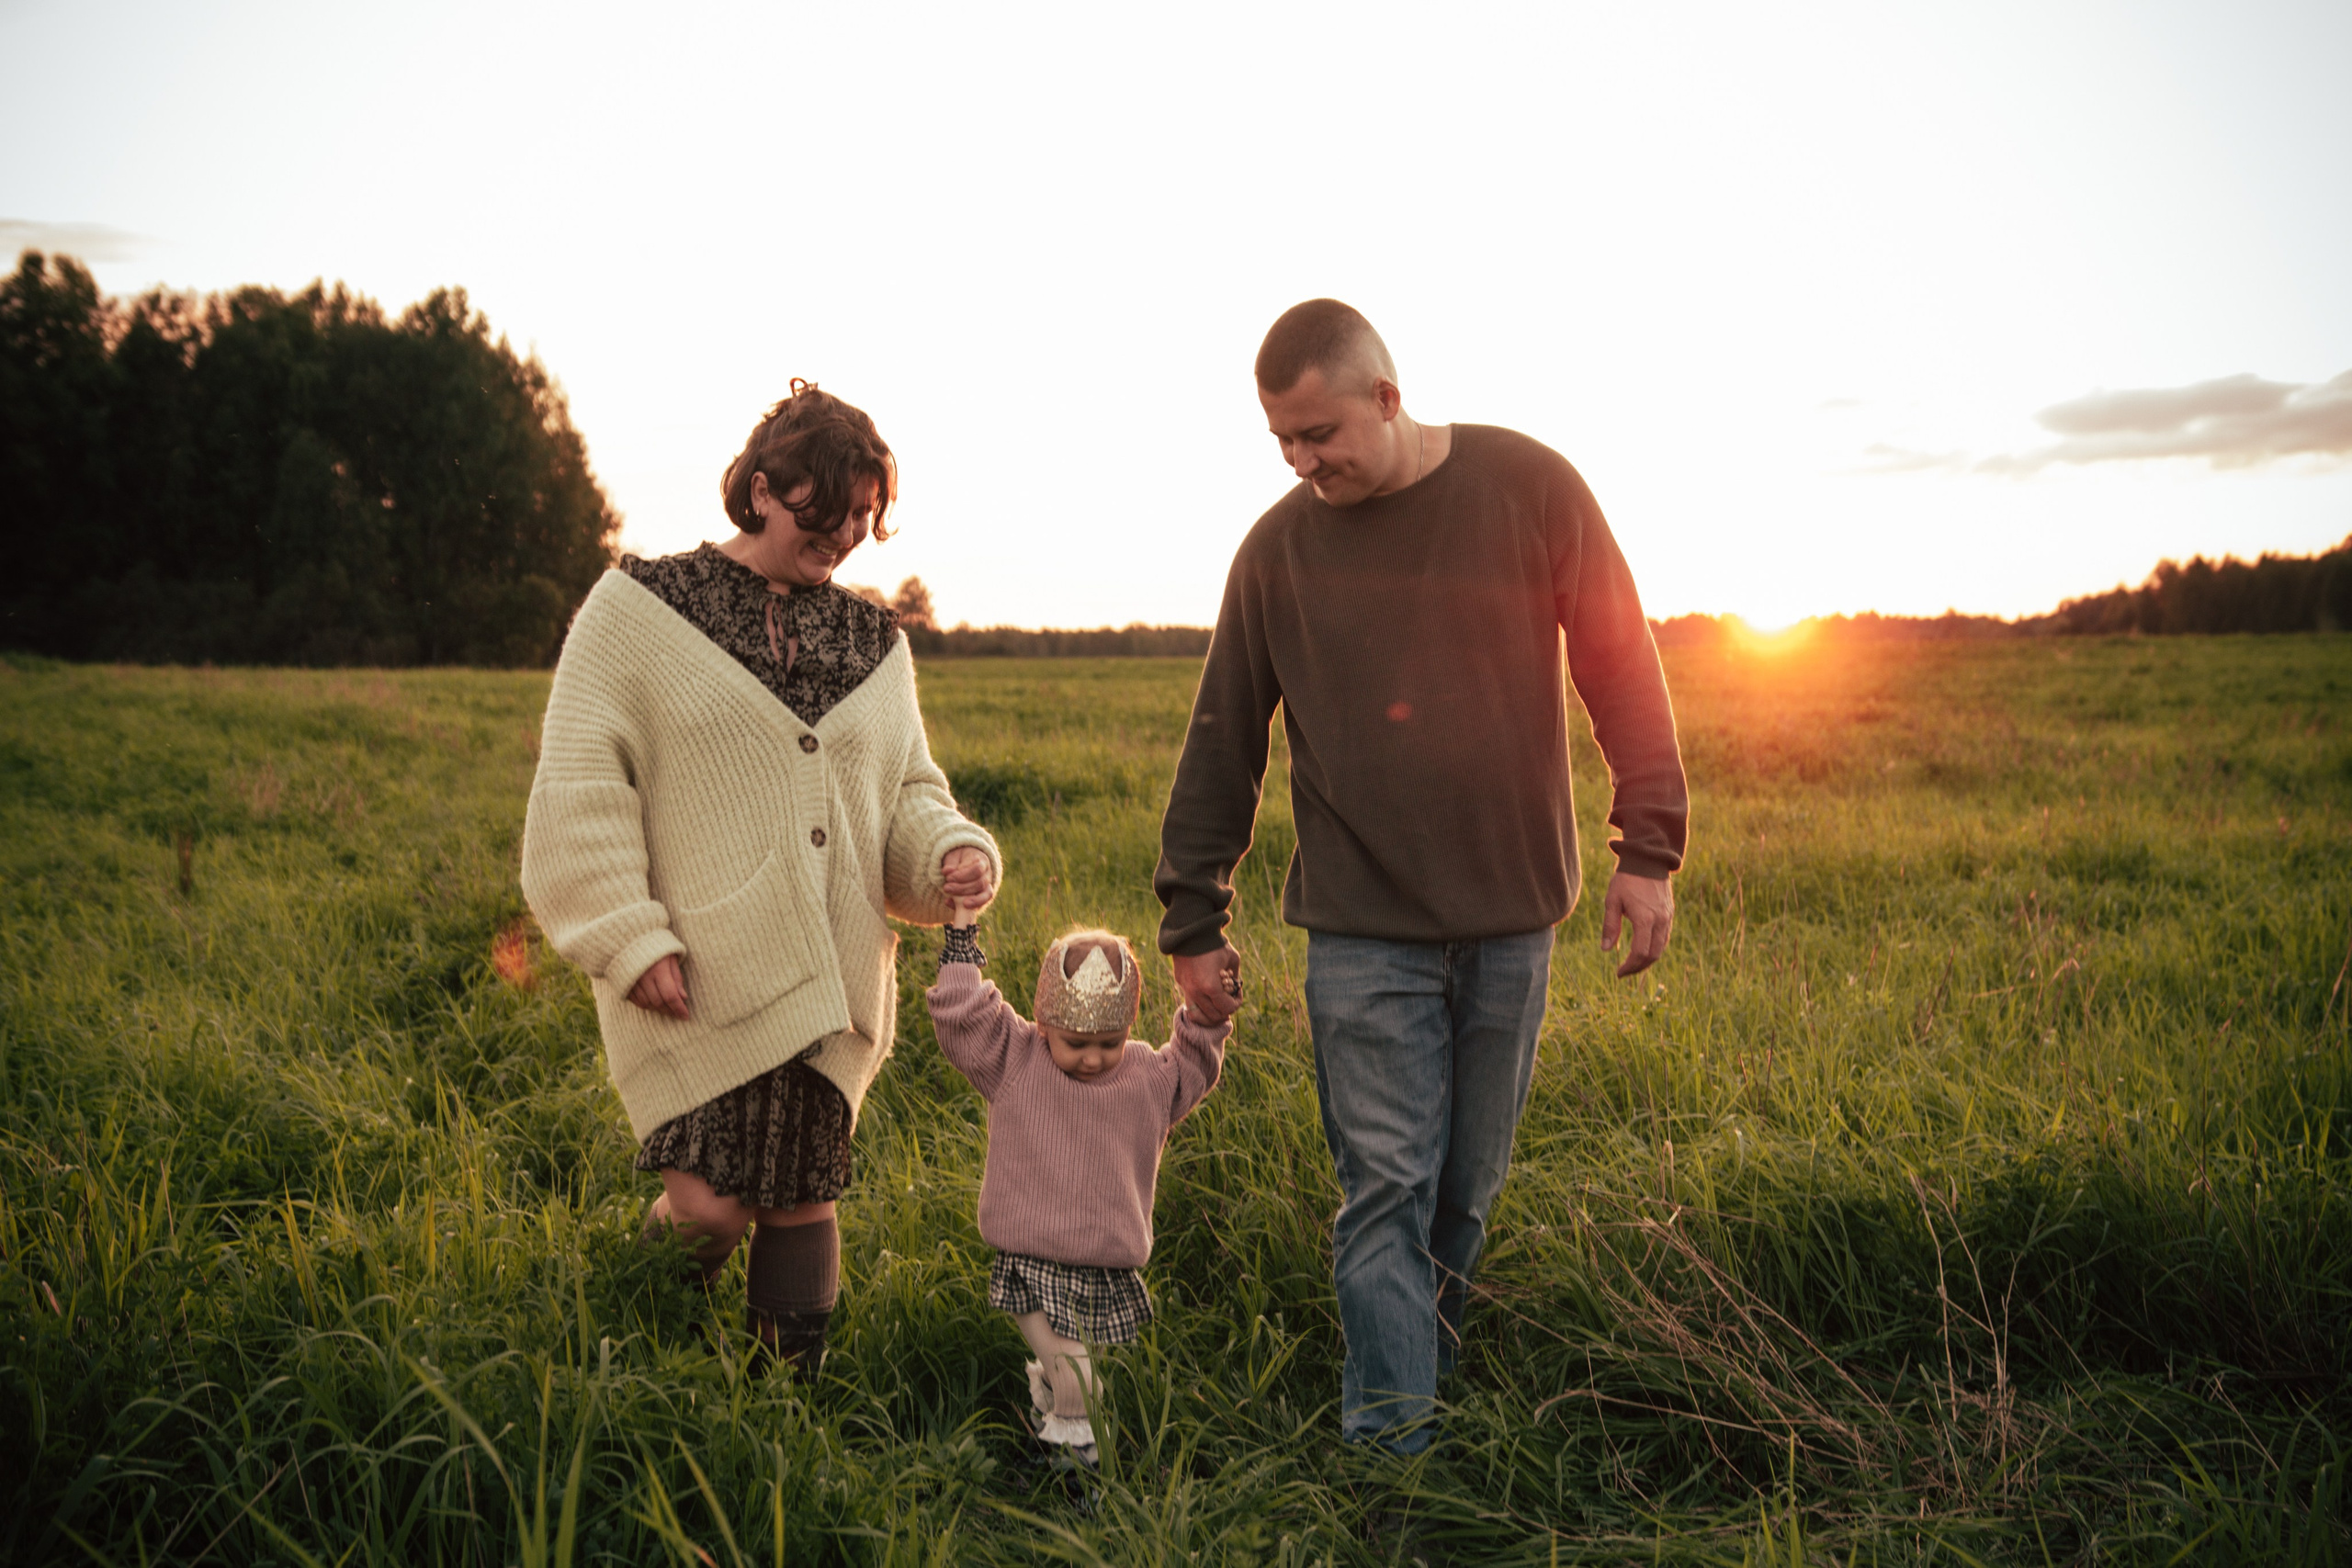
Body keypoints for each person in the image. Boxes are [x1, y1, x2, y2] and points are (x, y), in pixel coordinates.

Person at [1156, 299, 1689, 1450]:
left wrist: (1646, 852)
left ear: (1386, 399)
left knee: (1463, 1192)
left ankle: (1425, 1379)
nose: (1302, 464)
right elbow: (1223, 738)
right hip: (1360, 934)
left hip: (1511, 923)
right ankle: (1393, 1451)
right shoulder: (1277, 550)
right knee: (1386, 1189)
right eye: (1281, 443)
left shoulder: (1529, 488)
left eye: (1319, 435)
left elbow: (1620, 664)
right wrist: (1192, 917)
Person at [521, 382, 1001, 1376]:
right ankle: (629, 1342)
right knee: (707, 1205)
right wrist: (628, 935)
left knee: (801, 1195)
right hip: (698, 965)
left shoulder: (875, 643)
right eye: (831, 509)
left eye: (866, 518)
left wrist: (945, 850)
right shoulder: (639, 610)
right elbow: (581, 784)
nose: (848, 536)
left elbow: (904, 791)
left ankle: (788, 1407)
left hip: (831, 966)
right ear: (767, 485)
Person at [925, 915, 1229, 1465]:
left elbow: (1192, 1066)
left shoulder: (1145, 1078)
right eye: (1075, 1043)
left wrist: (1207, 1014)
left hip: (1101, 1266)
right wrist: (960, 941)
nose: (1092, 1058)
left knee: (1071, 1372)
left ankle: (1053, 1446)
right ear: (1043, 1023)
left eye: (1109, 1043)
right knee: (1077, 1380)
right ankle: (1084, 1474)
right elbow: (964, 1019)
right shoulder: (1016, 1058)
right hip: (1030, 1260)